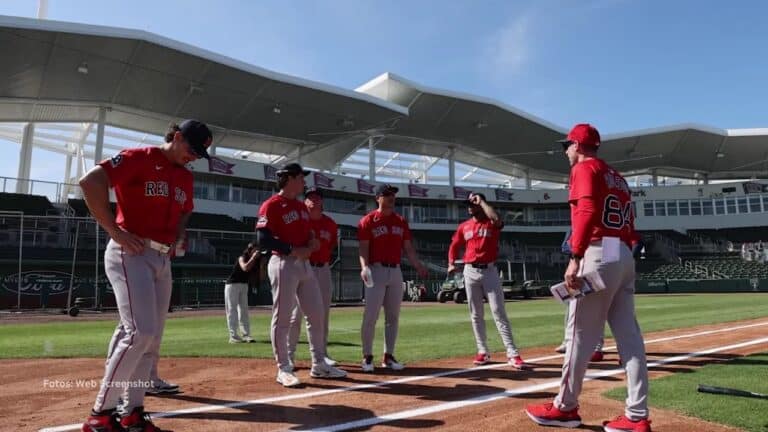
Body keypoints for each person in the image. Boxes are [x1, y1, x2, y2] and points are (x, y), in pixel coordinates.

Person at [79, 119, 212, 432]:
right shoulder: (140, 157)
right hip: (132, 251)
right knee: (141, 332)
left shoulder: (185, 178)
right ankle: (100, 413)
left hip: (162, 258)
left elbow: (185, 210)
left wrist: (179, 235)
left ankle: (132, 411)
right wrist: (114, 230)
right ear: (176, 137)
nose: (193, 156)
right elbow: (90, 182)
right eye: (192, 149)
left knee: (151, 338)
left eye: (199, 153)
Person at [525, 124, 651, 432]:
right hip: (619, 248)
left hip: (597, 248)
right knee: (630, 339)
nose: (565, 151)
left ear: (578, 145)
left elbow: (586, 210)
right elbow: (631, 225)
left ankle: (565, 408)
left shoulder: (585, 168)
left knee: (579, 332)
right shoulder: (617, 177)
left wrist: (576, 257)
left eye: (566, 145)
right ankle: (637, 416)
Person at [256, 163, 347, 387]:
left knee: (316, 315)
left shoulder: (300, 208)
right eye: (300, 178)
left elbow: (309, 236)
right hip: (283, 263)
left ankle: (319, 364)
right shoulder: (272, 205)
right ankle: (284, 368)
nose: (304, 182)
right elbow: (262, 240)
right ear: (289, 179)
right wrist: (292, 249)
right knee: (283, 317)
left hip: (305, 266)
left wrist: (312, 242)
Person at [447, 192, 528, 370]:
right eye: (468, 204)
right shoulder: (464, 226)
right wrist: (451, 263)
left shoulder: (491, 222)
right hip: (470, 271)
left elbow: (497, 219)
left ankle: (512, 353)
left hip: (489, 270)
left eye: (472, 203)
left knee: (498, 312)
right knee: (476, 314)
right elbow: (454, 245)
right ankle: (482, 350)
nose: (469, 206)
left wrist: (482, 201)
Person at [358, 184, 428, 372]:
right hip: (376, 269)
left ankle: (388, 356)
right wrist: (364, 268)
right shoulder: (368, 220)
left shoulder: (400, 221)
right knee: (370, 316)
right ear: (378, 198)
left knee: (393, 317)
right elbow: (363, 248)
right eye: (387, 194)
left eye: (393, 195)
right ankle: (367, 356)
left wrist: (418, 266)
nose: (391, 198)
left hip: (395, 270)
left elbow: (408, 248)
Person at [288, 188, 339, 368]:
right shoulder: (299, 220)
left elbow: (331, 245)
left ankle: (322, 354)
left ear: (322, 202)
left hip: (322, 268)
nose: (314, 201)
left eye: (317, 198)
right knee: (295, 315)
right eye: (310, 198)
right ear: (305, 201)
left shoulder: (331, 224)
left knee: (322, 314)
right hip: (302, 265)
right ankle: (289, 355)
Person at [556, 229, 606, 362]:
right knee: (572, 306)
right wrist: (577, 251)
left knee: (597, 306)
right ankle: (568, 342)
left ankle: (597, 346)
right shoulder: (574, 227)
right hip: (577, 267)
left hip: (595, 265)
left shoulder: (600, 227)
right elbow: (565, 246)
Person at [225, 243, 260, 343]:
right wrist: (253, 258)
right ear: (250, 250)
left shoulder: (256, 261)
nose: (257, 252)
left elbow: (259, 275)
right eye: (255, 249)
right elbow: (245, 267)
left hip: (244, 285)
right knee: (232, 310)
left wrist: (261, 262)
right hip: (232, 285)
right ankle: (233, 337)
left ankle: (246, 335)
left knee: (244, 310)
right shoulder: (242, 257)